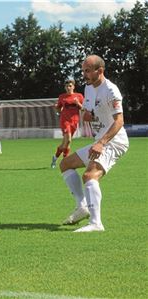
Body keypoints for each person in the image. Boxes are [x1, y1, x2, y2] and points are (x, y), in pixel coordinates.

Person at [59, 55, 129, 232]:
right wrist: (88, 114)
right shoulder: (88, 88)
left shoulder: (111, 90)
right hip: (100, 141)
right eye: (83, 70)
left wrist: (102, 142)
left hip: (114, 141)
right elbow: (90, 111)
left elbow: (119, 121)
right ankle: (82, 207)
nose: (84, 74)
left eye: (88, 70)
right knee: (66, 164)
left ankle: (96, 223)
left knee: (90, 176)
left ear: (100, 71)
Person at [51, 79, 84, 168]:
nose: (68, 87)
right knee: (68, 140)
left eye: (70, 86)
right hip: (65, 121)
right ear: (65, 87)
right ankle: (65, 161)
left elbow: (83, 108)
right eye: (67, 86)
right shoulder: (62, 97)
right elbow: (58, 108)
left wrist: (77, 103)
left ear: (73, 86)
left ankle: (55, 157)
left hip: (74, 121)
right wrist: (57, 109)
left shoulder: (79, 96)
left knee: (65, 143)